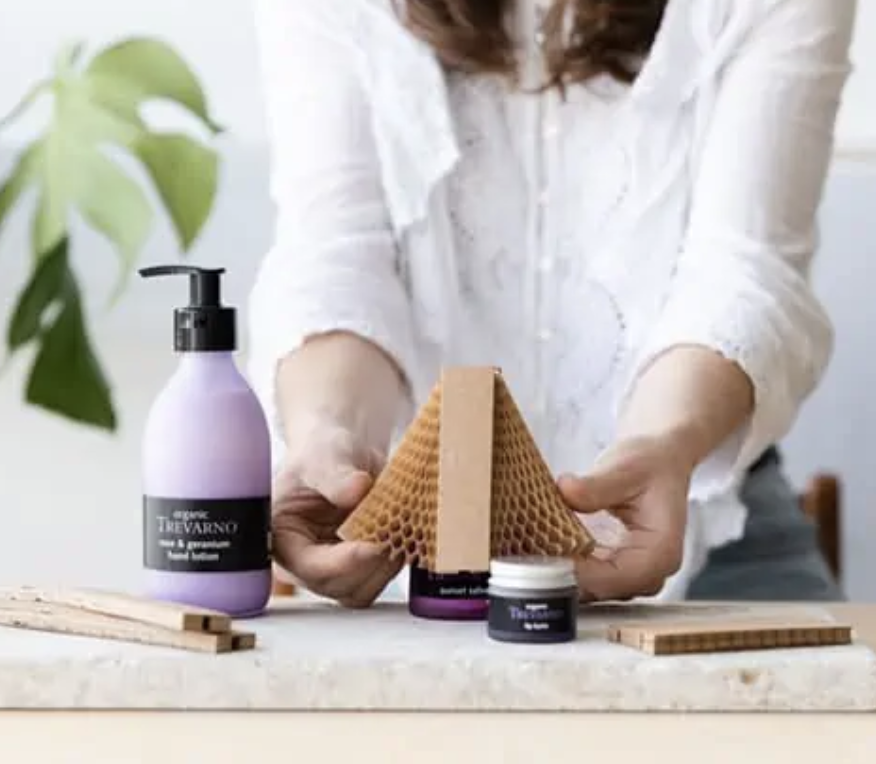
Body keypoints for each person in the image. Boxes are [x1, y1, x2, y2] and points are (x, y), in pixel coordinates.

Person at [246, 0, 856, 608]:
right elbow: (335, 251)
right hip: (408, 551)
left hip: (702, 512)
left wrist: (663, 444)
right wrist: (329, 434)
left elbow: (744, 266)